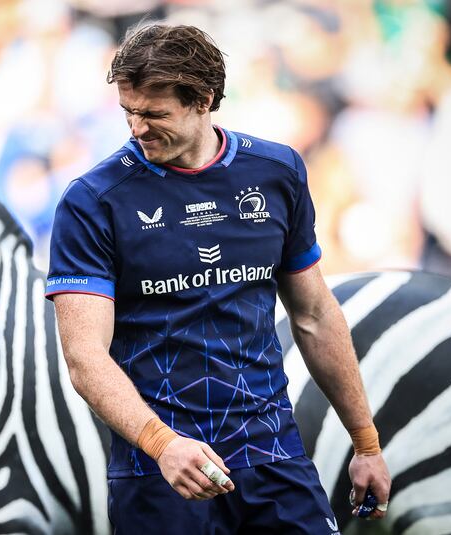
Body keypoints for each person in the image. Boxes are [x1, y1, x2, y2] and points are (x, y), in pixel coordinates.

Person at [45, 23, 391, 533]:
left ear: (204, 99)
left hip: (272, 454)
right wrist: (163, 445)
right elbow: (84, 356)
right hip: (160, 471)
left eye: (155, 114)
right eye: (129, 112)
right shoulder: (93, 200)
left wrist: (366, 444)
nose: (137, 129)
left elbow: (315, 315)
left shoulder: (277, 171)